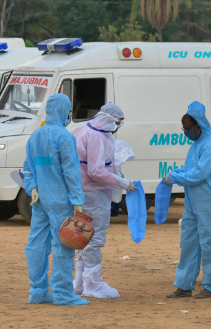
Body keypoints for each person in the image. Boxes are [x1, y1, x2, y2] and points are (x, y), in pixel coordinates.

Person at [23, 93, 89, 306]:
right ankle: (62, 293)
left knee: (37, 244)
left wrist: (33, 187)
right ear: (64, 111)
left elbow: (27, 168)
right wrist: (77, 199)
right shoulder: (64, 136)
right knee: (64, 244)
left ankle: (38, 290)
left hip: (40, 200)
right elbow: (71, 171)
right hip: (61, 201)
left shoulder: (36, 135)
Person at [164, 101, 211, 299]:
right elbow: (190, 169)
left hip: (209, 202)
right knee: (189, 244)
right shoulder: (197, 145)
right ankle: (184, 286)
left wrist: (175, 178)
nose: (186, 132)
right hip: (193, 204)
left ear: (198, 126)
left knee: (209, 245)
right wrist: (177, 172)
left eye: (188, 128)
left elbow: (200, 174)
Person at [72, 103, 136, 298]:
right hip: (94, 193)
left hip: (82, 192)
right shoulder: (97, 136)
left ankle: (80, 283)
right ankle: (92, 284)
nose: (117, 126)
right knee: (94, 236)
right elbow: (95, 171)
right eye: (117, 122)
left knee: (82, 236)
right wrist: (122, 183)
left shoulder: (81, 130)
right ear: (109, 119)